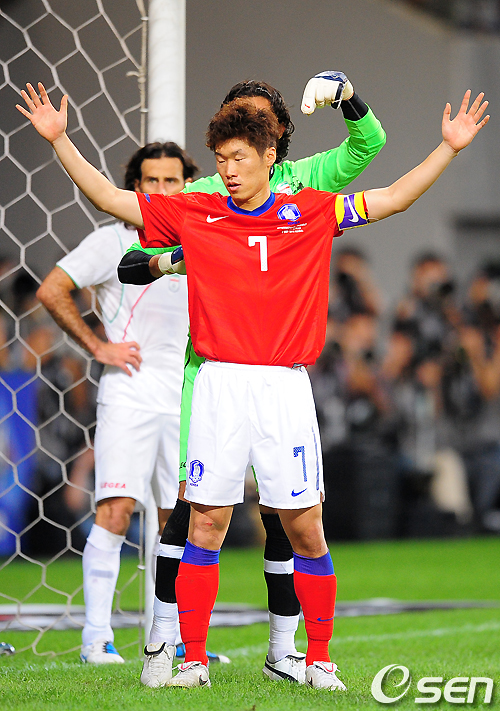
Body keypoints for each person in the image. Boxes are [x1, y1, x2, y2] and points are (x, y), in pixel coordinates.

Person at [18, 81, 488, 691]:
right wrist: (60, 141)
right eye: (220, 160)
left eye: (238, 158)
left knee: (305, 527)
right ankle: (190, 659)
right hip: (218, 383)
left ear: (270, 157)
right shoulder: (197, 210)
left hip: (284, 388)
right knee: (204, 523)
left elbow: (394, 196)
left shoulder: (311, 209)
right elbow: (111, 197)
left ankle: (317, 659)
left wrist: (449, 148)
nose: (228, 171)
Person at [123, 72, 388, 687]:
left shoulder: (309, 183)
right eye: (232, 117)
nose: (231, 157)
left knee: (287, 518)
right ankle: (165, 642)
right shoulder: (211, 187)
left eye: (254, 118)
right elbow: (144, 246)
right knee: (192, 510)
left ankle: (284, 649)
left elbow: (370, 148)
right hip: (209, 370)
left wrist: (347, 94)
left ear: (277, 135)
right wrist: (169, 260)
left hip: (278, 371)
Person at [36, 142, 199, 664]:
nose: (162, 190)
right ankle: (96, 638)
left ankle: (170, 639)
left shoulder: (200, 237)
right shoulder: (112, 241)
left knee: (179, 521)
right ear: (136, 187)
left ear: (187, 185)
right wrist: (98, 346)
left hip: (185, 398)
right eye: (152, 181)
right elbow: (52, 289)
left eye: (171, 180)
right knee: (116, 510)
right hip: (128, 394)